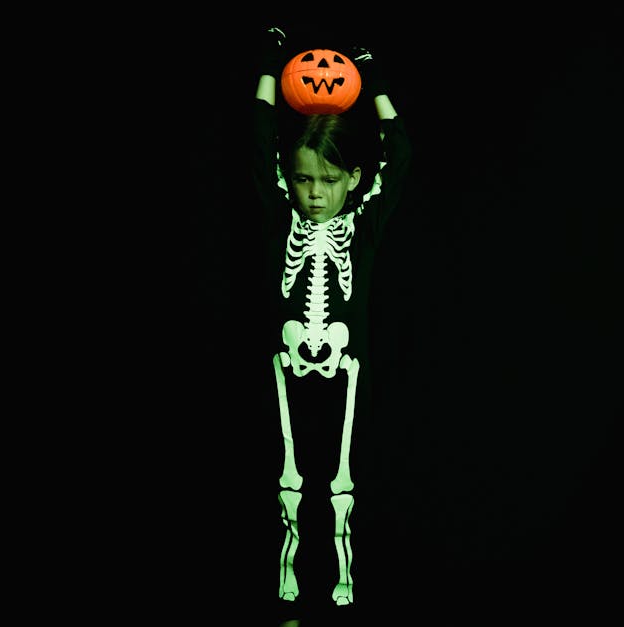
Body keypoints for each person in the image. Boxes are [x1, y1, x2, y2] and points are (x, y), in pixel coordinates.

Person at [252, 25, 411, 626]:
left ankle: (346, 594)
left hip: (346, 376)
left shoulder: (363, 225)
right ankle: (282, 592)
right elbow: (258, 137)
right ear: (287, 180)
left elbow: (399, 153)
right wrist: (270, 63)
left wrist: (374, 80)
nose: (314, 195)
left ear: (353, 180)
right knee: (279, 481)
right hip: (284, 374)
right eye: (302, 180)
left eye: (327, 180)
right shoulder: (279, 217)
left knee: (346, 488)